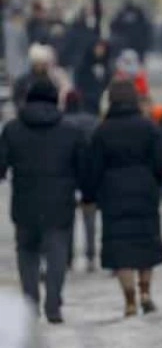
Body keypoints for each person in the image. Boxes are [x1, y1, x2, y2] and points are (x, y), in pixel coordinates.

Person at [0, 78, 86, 323]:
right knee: (57, 254)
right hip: (59, 202)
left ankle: (30, 304)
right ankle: (53, 305)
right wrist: (85, 192)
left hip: (25, 201)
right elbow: (83, 167)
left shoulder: (13, 129)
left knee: (27, 253)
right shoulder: (70, 131)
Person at [85, 80, 162, 317]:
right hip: (144, 190)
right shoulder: (148, 127)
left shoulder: (102, 131)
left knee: (120, 248)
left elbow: (94, 167)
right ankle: (146, 293)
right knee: (146, 243)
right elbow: (160, 162)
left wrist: (93, 193)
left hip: (113, 194)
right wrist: (156, 184)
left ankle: (129, 299)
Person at [63, 90, 100, 272]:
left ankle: (68, 257)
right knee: (90, 220)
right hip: (90, 177)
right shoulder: (93, 121)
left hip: (67, 177)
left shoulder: (61, 124)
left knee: (68, 220)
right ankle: (91, 256)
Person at [74, 39, 111, 115]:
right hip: (87, 103)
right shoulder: (83, 67)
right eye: (98, 48)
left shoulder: (108, 68)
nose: (100, 51)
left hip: (103, 102)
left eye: (102, 49)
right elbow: (79, 85)